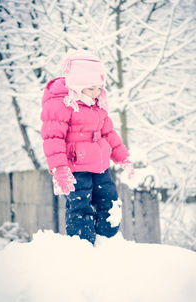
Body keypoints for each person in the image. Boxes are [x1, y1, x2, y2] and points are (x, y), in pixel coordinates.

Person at [41, 50, 134, 244]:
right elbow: (53, 138)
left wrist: (123, 157)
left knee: (109, 202)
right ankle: (83, 247)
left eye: (100, 87)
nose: (97, 92)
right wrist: (59, 168)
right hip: (75, 169)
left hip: (100, 166)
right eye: (92, 88)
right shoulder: (61, 103)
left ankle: (107, 242)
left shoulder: (97, 104)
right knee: (80, 207)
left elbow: (109, 133)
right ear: (77, 85)